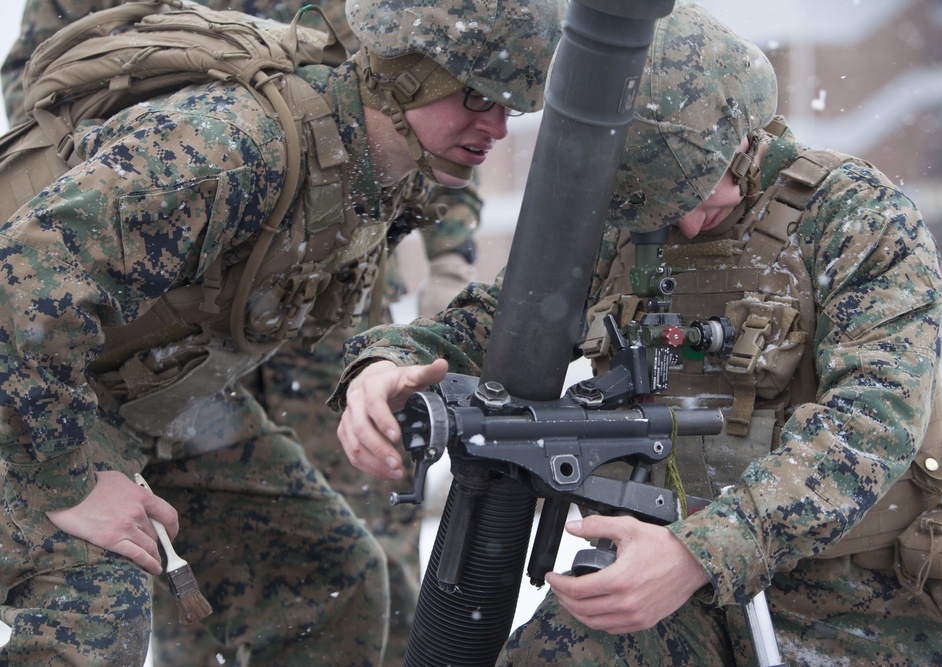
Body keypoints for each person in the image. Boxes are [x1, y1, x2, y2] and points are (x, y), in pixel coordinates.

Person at [332, 2, 942, 664]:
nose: (687, 227)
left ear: (740, 135)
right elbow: (490, 324)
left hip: (845, 602)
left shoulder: (859, 220)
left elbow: (869, 425)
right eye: (662, 210)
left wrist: (701, 552)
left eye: (699, 196)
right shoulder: (625, 228)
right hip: (657, 588)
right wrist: (384, 367)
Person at [0, 0, 563, 664]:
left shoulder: (386, 170)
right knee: (98, 597)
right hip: (28, 384)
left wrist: (381, 363)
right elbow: (21, 277)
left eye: (510, 105)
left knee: (331, 576)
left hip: (143, 395)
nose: (496, 125)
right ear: (405, 74)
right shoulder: (234, 147)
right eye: (476, 95)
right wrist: (71, 484)